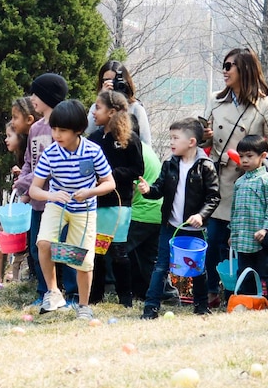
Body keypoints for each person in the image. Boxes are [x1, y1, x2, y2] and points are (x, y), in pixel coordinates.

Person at [205, 48, 268, 303]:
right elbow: (205, 135)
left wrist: (257, 163)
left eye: (230, 66)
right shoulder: (215, 101)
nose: (225, 70)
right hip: (220, 183)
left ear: (246, 70)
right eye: (224, 65)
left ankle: (245, 295)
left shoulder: (266, 105)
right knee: (215, 240)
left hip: (251, 188)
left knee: (247, 247)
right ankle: (210, 292)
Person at [29, 98, 115, 320]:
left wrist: (89, 192)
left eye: (63, 130)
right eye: (54, 129)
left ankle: (84, 306)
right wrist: (52, 195)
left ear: (78, 130)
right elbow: (34, 190)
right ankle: (53, 292)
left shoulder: (93, 151)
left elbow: (109, 183)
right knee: (44, 243)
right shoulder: (50, 153)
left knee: (83, 259)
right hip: (56, 205)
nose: (57, 135)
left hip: (85, 209)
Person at [136, 118, 218, 318]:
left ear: (191, 142)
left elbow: (213, 196)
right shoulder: (169, 164)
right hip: (170, 226)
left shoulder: (205, 166)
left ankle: (201, 306)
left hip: (195, 229)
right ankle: (151, 308)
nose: (171, 142)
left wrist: (201, 215)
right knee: (161, 266)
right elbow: (159, 189)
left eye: (175, 138)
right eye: (171, 138)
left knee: (197, 268)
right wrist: (147, 191)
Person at [14, 74, 70, 305]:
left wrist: (25, 182)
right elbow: (29, 161)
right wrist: (26, 189)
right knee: (38, 250)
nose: (32, 99)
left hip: (57, 202)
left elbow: (57, 167)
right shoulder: (36, 128)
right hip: (37, 201)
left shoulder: (63, 128)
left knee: (61, 250)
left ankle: (67, 291)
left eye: (36, 94)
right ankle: (44, 291)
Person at [88, 89, 145, 307]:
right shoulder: (93, 138)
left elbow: (137, 168)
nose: (94, 112)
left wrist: (109, 175)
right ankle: (95, 296)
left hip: (119, 203)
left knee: (119, 251)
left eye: (98, 108)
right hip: (97, 202)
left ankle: (125, 298)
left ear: (112, 112)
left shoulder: (129, 139)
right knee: (97, 251)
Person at [225, 134, 268, 294]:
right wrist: (233, 233)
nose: (244, 160)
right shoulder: (239, 182)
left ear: (262, 156)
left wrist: (266, 229)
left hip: (262, 239)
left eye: (249, 156)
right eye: (241, 156)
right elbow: (235, 211)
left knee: (266, 273)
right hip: (243, 239)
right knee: (244, 272)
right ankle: (247, 302)